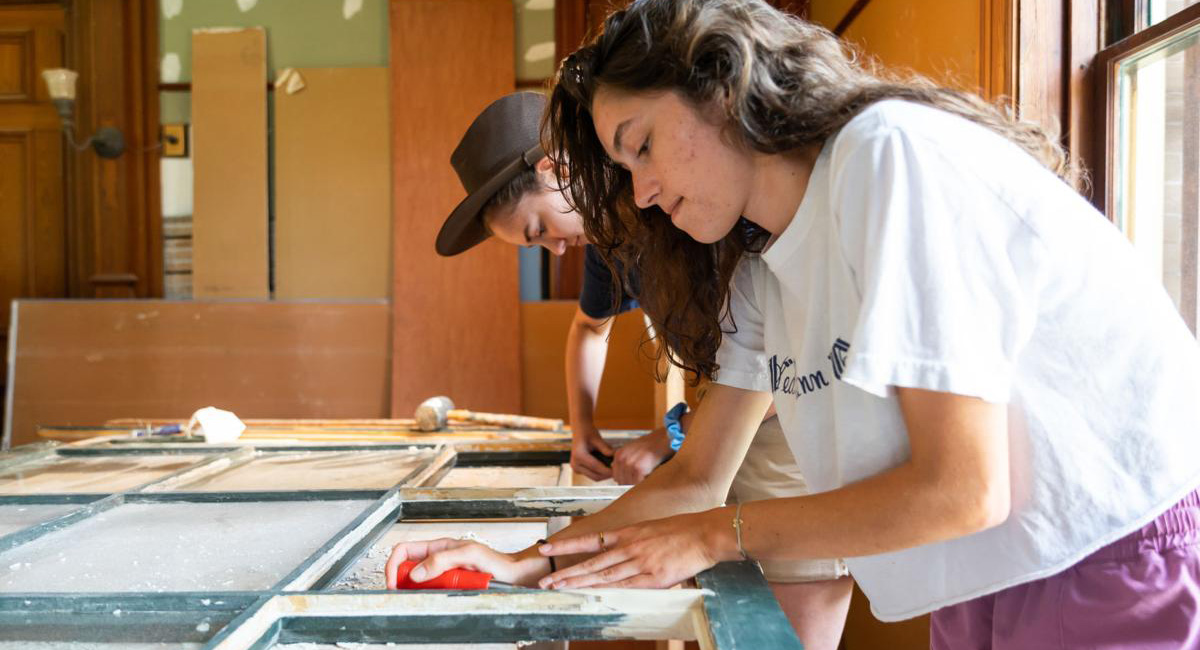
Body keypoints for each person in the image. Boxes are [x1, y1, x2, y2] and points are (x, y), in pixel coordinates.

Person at [395, 0, 1200, 646]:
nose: (639, 194)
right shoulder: (762, 268)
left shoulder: (887, 155)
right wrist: (517, 564)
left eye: (640, 146)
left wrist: (717, 537)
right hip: (983, 572)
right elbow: (695, 477)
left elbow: (962, 487)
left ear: (720, 86)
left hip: (1105, 545)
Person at [419, 91, 854, 649]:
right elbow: (695, 471)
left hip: (788, 440)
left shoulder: (718, 220)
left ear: (558, 167)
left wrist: (672, 435)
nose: (556, 250)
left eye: (538, 228)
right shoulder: (620, 239)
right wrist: (584, 437)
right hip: (732, 423)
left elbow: (783, 377)